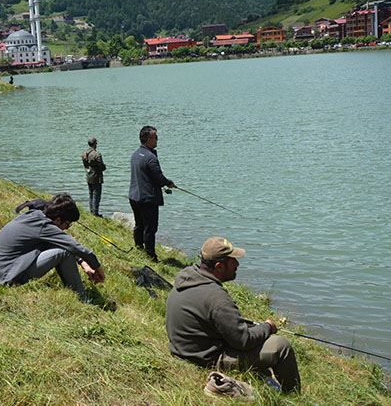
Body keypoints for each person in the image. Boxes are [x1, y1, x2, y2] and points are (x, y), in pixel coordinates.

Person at [165, 236, 301, 393]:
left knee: (254, 332)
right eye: (232, 261)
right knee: (281, 346)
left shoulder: (188, 277)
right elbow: (243, 340)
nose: (237, 264)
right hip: (204, 358)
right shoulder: (216, 297)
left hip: (182, 350)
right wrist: (268, 327)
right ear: (219, 266)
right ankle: (293, 396)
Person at [0, 193, 105, 298]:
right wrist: (98, 268)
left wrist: (84, 264)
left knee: (60, 247)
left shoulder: (36, 216)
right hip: (5, 277)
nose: (66, 229)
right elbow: (75, 247)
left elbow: (58, 243)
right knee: (64, 253)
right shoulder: (44, 226)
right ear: (58, 220)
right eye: (68, 224)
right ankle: (82, 297)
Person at [128, 125, 175, 261]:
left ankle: (138, 247)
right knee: (150, 228)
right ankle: (150, 256)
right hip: (147, 199)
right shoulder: (150, 158)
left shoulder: (136, 154)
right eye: (156, 138)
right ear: (148, 139)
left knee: (139, 224)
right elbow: (159, 178)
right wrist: (168, 183)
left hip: (134, 196)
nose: (157, 140)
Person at [81, 137, 106, 217]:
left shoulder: (84, 153)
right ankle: (95, 213)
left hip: (89, 176)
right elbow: (101, 166)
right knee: (96, 195)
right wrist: (104, 167)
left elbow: (85, 165)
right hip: (96, 177)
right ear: (95, 144)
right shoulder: (96, 154)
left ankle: (91, 211)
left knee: (91, 194)